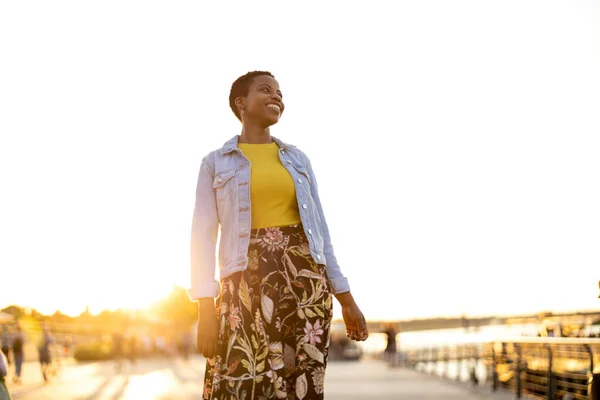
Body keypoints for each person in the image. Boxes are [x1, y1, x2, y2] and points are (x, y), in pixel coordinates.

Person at [189, 71, 369, 399]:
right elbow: (202, 237)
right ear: (240, 103)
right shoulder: (215, 163)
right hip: (245, 285)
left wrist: (347, 298)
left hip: (305, 285)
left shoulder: (298, 160)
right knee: (245, 381)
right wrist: (205, 308)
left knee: (302, 385)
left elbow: (321, 235)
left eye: (280, 92)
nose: (277, 97)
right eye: (266, 90)